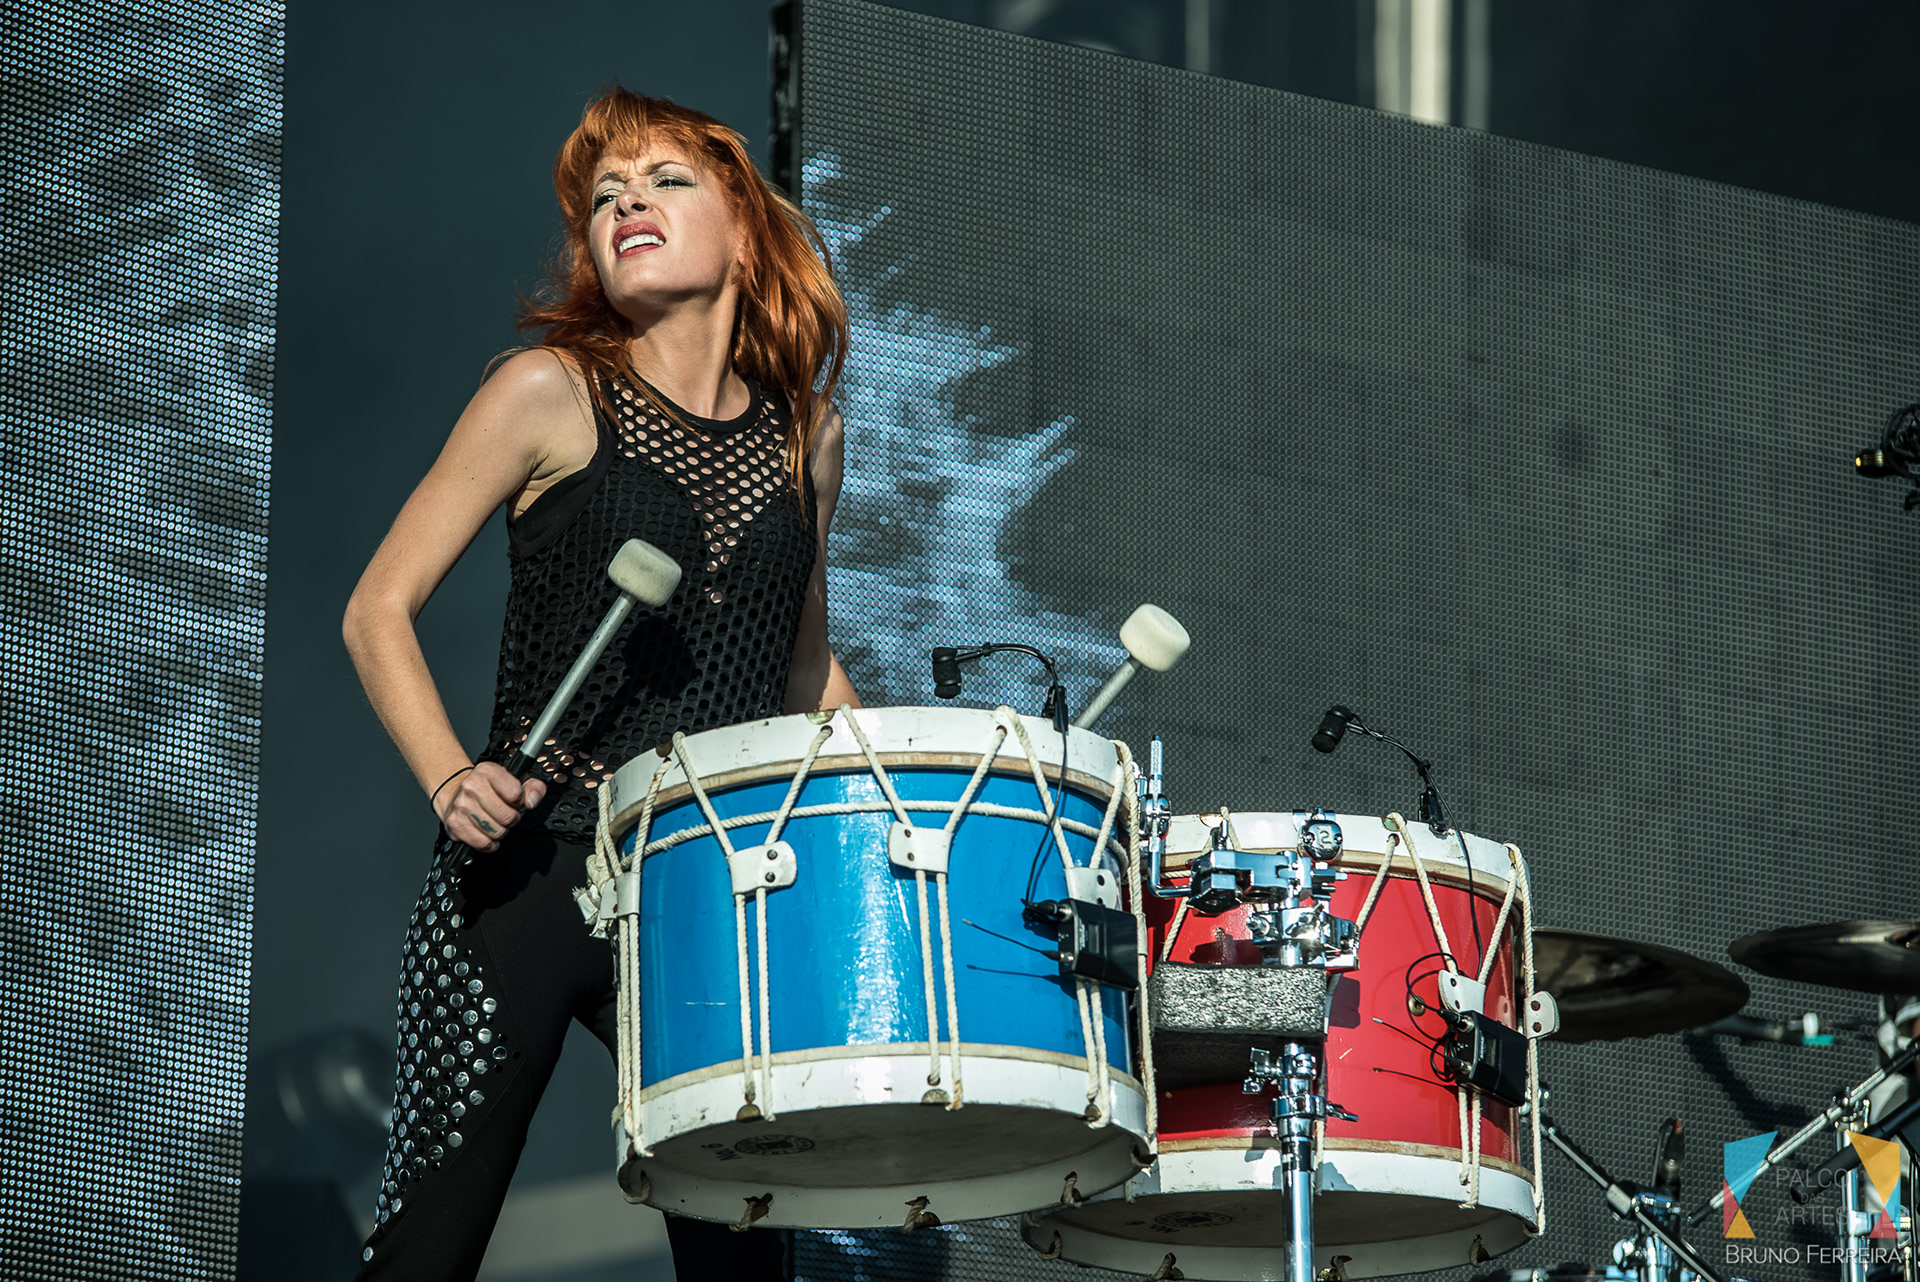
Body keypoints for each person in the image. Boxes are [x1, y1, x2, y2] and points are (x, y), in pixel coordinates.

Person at [341, 87, 860, 1281]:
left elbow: (799, 664)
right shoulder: (549, 390)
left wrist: (913, 792)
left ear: (745, 228)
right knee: (427, 1248)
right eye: (606, 194)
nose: (627, 202)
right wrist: (450, 779)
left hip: (702, 896)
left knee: (746, 1264)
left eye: (665, 180)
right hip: (530, 872)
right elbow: (377, 608)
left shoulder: (809, 437)